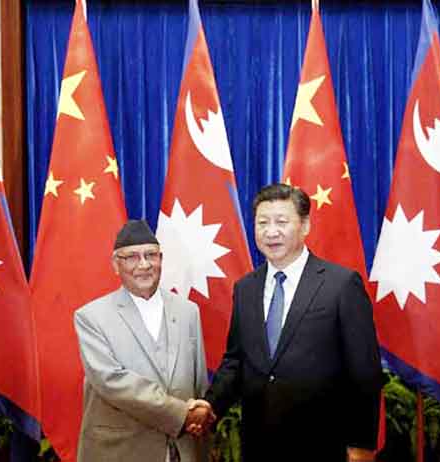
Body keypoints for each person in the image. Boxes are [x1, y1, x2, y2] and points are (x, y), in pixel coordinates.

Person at [204, 184, 383, 462]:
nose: (271, 231)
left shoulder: (341, 284)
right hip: (259, 445)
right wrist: (209, 409)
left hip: (323, 444)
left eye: (281, 222)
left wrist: (361, 444)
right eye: (262, 222)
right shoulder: (246, 288)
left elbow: (364, 371)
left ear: (305, 225)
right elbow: (236, 361)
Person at [74, 220, 213, 462]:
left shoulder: (188, 311)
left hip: (184, 450)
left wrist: (201, 420)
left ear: (161, 259)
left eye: (151, 255)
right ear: (116, 265)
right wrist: (183, 415)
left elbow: (198, 380)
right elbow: (112, 382)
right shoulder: (91, 317)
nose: (144, 264)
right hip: (121, 451)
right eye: (132, 257)